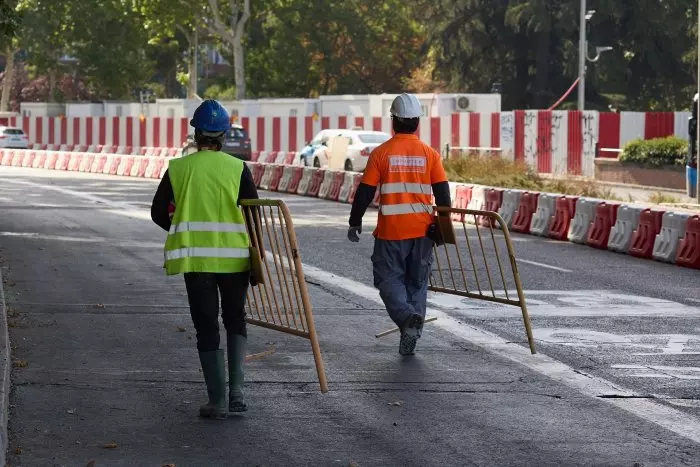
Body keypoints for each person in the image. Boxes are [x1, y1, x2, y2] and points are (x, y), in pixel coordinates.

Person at [150, 99, 259, 419]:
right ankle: (238, 391)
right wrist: (257, 258)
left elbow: (158, 213)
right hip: (234, 260)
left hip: (196, 261)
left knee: (206, 325)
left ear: (196, 134)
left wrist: (181, 227)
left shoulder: (178, 169)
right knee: (235, 319)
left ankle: (218, 400)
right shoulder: (238, 168)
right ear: (223, 134)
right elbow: (253, 214)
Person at [347, 93, 451, 356]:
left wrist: (355, 220)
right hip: (423, 231)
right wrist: (442, 227)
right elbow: (443, 195)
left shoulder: (381, 154)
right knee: (417, 283)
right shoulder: (430, 155)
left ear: (393, 121)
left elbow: (365, 192)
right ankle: (411, 327)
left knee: (387, 279)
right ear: (417, 122)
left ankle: (406, 319)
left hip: (392, 232)